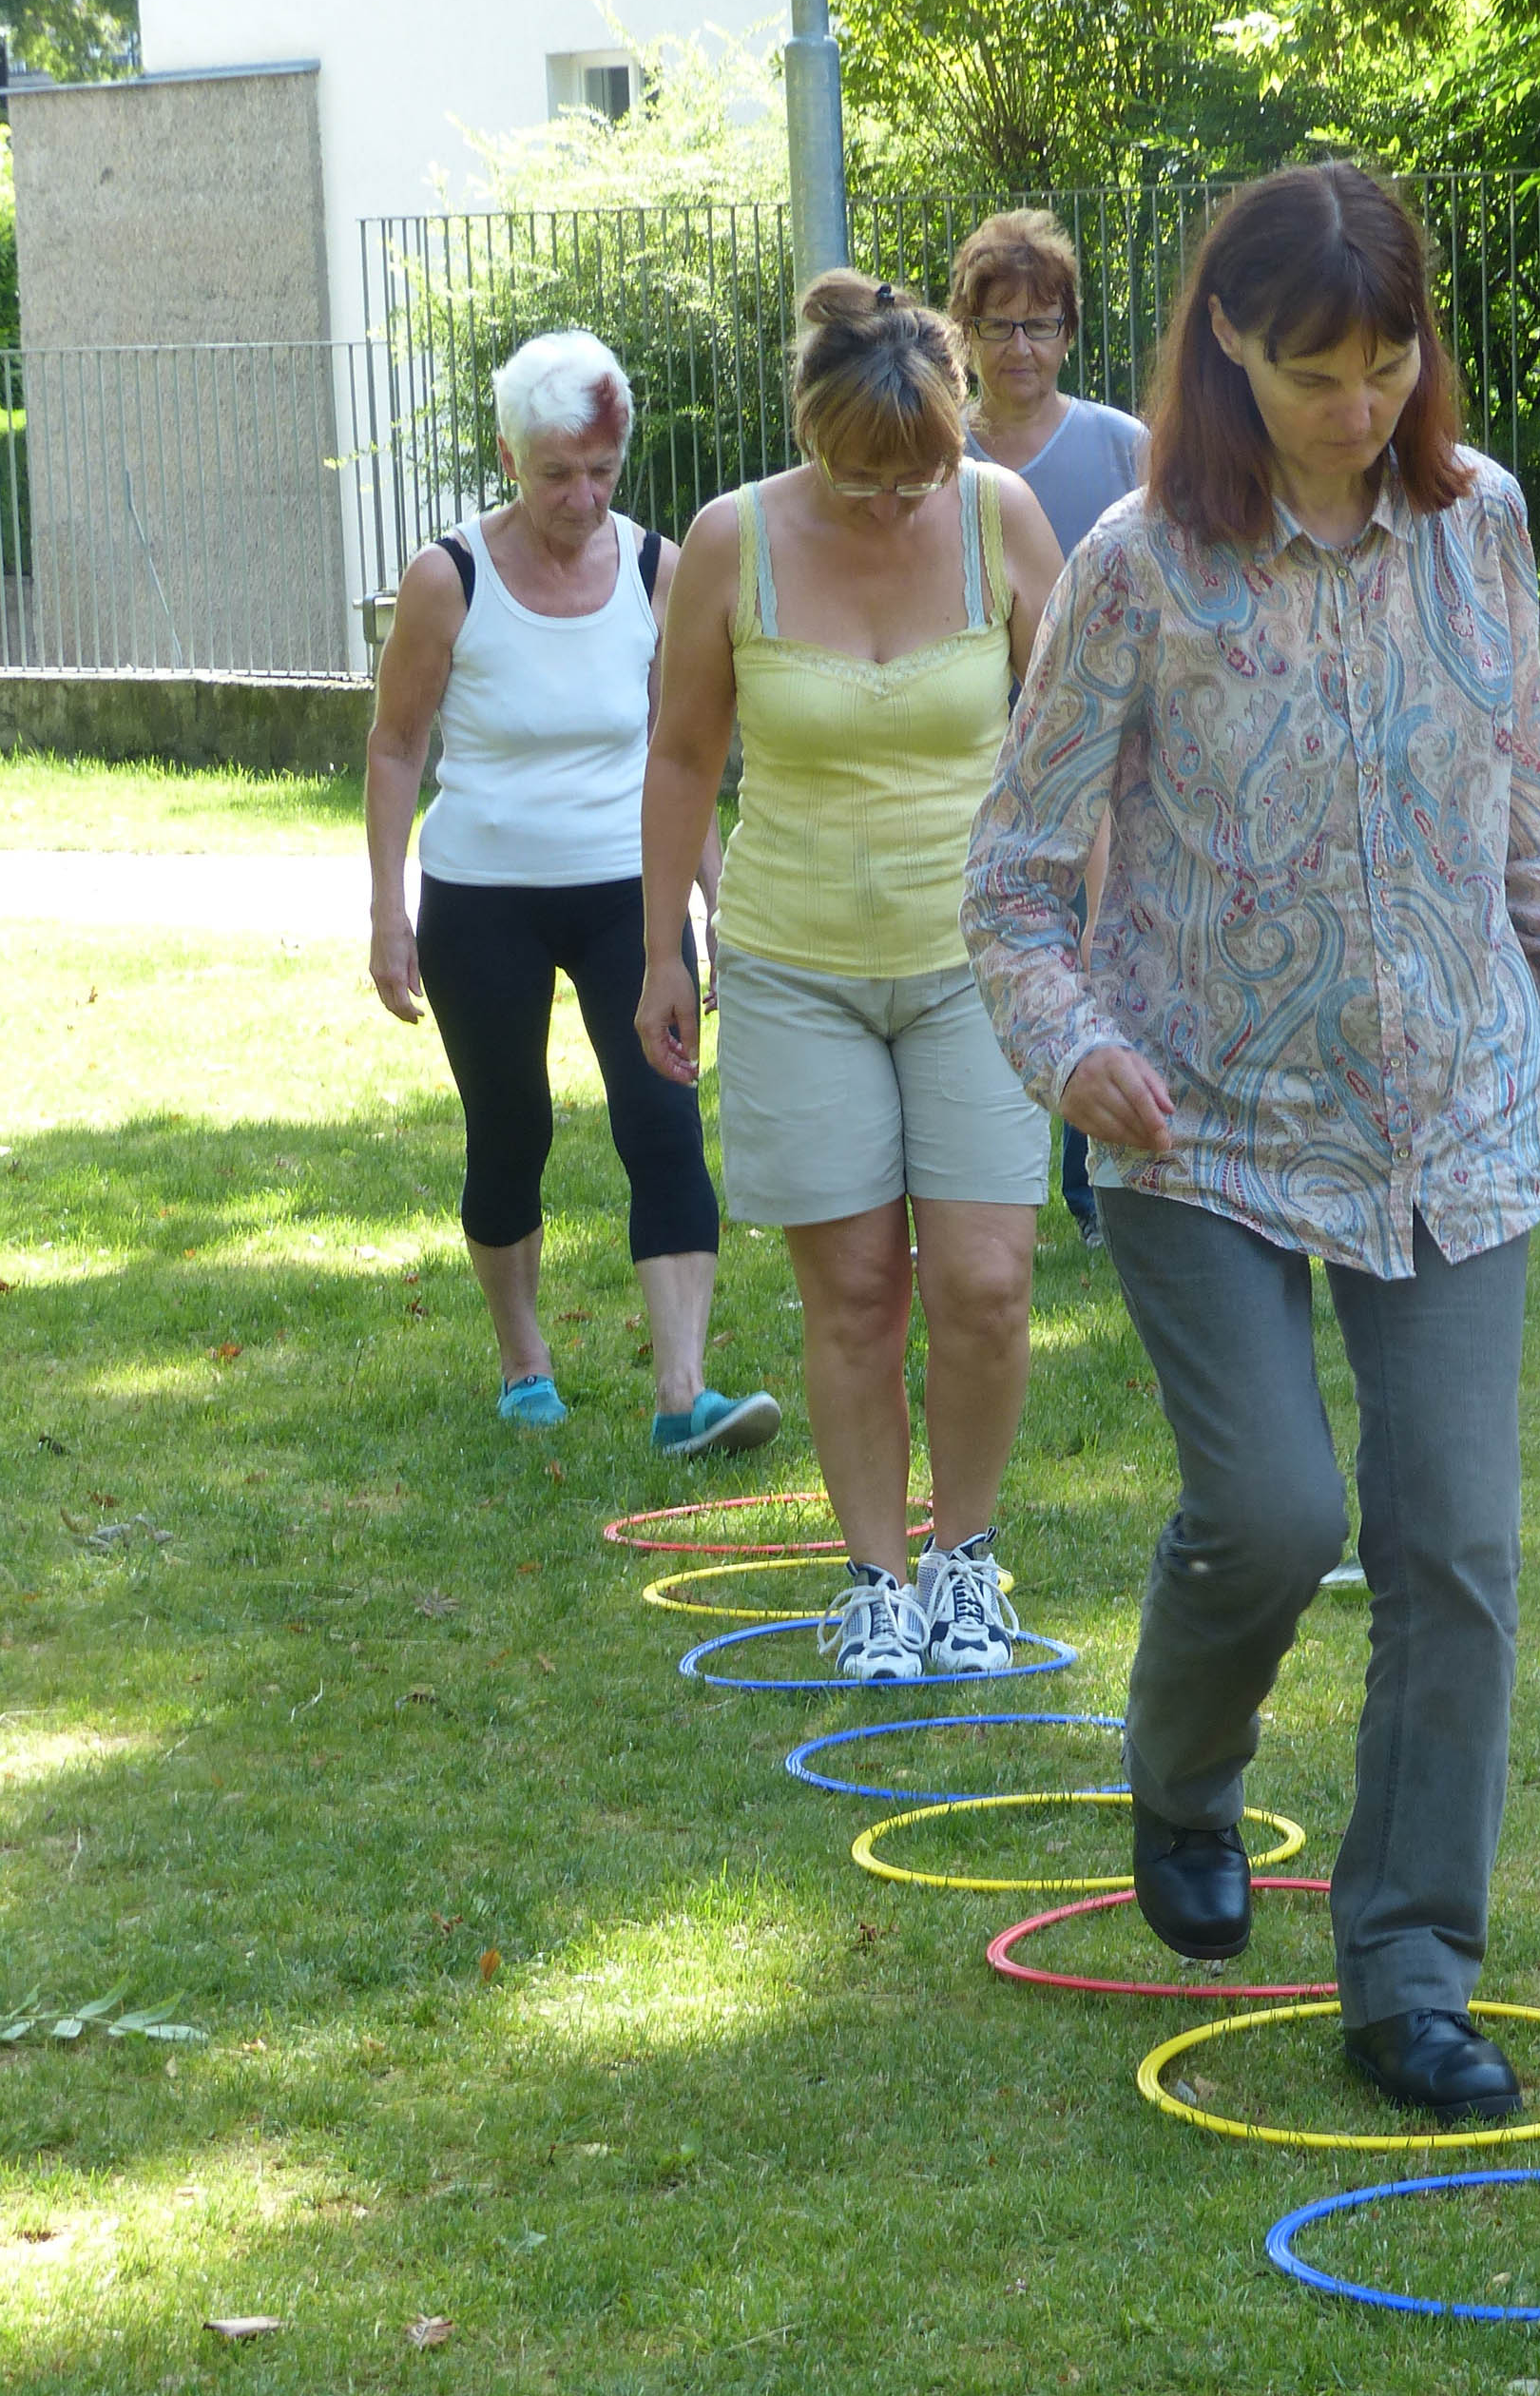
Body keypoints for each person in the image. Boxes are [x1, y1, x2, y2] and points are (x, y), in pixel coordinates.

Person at [963, 163, 1540, 2124]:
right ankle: (1184, 1772)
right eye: (1314, 367)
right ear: (1226, 340)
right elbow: (1019, 877)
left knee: (1451, 1547)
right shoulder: (1136, 562)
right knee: (1281, 1514)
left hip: (1449, 1119)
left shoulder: (1482, 528)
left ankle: (1403, 1968)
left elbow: (1517, 833)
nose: (1358, 402)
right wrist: (1072, 1052)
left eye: (1389, 360)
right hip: (1193, 1120)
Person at [638, 273, 1065, 1683]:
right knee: (861, 1296)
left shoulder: (999, 517)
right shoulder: (730, 541)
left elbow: (1078, 735)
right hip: (796, 961)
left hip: (978, 960)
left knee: (988, 1284)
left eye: (918, 477)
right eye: (862, 479)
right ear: (810, 435)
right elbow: (685, 757)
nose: (892, 505)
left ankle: (968, 1562)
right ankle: (875, 1578)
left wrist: (1097, 925)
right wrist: (662, 951)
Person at [366, 328, 780, 1457]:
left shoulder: (661, 570)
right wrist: (386, 910)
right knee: (511, 1133)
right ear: (510, 458)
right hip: (482, 895)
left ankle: (682, 1392)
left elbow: (684, 747)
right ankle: (523, 1360)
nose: (582, 496)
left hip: (624, 898)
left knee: (662, 1125)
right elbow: (398, 745)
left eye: (601, 472)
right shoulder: (446, 578)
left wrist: (715, 898)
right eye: (557, 474)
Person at [950, 206, 1149, 1255]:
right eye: (997, 327)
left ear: (1069, 331)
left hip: (1116, 758)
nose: (1020, 348)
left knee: (1105, 943)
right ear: (964, 336)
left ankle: (1096, 1187)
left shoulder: (1124, 449)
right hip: (981, 752)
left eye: (1040, 324)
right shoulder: (935, 453)